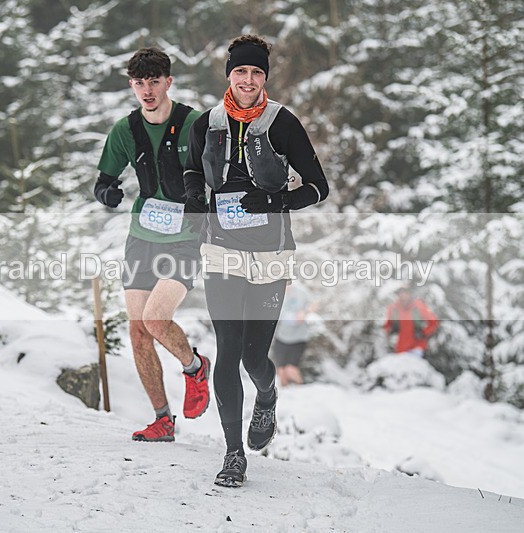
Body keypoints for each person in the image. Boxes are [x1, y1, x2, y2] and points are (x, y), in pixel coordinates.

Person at [183, 35, 329, 487]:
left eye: (257, 73)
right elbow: (191, 170)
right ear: (229, 75)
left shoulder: (282, 122)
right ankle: (233, 455)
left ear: (265, 78)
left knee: (253, 357)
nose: (248, 80)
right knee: (227, 353)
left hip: (270, 256)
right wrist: (192, 197)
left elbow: (319, 186)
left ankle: (267, 395)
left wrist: (276, 201)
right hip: (221, 252)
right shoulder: (206, 123)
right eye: (241, 72)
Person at [94, 47, 210, 443]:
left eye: (154, 82)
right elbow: (104, 179)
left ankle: (195, 367)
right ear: (132, 85)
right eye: (139, 83)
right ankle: (163, 419)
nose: (147, 90)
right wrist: (106, 192)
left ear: (168, 82)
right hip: (142, 237)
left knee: (156, 320)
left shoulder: (195, 123)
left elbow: (223, 173)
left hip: (185, 239)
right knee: (139, 332)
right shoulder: (125, 130)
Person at [271, 282, 316, 386]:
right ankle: (285, 396)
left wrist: (305, 312)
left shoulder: (300, 290)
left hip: (299, 337)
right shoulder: (274, 293)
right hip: (281, 337)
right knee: (281, 370)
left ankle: (301, 389)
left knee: (291, 369)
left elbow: (314, 304)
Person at [383, 286, 438, 357]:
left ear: (410, 294)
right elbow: (387, 325)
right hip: (400, 348)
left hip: (417, 347)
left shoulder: (418, 306)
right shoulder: (394, 308)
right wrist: (391, 332)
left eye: (406, 293)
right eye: (401, 293)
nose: (403, 296)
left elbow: (433, 322)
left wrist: (424, 332)